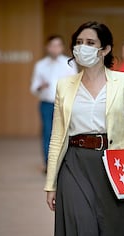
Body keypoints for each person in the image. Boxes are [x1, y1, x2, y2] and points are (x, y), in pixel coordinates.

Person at [44, 21, 124, 236]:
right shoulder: (64, 85)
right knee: (83, 233)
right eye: (79, 43)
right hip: (75, 164)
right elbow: (57, 136)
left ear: (104, 49)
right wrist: (51, 183)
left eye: (90, 43)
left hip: (114, 167)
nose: (83, 48)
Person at [30, 35, 77, 173]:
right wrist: (40, 86)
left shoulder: (69, 63)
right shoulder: (40, 65)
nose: (55, 48)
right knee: (47, 133)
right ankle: (48, 164)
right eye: (52, 45)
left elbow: (75, 83)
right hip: (46, 104)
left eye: (58, 45)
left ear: (62, 47)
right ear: (47, 47)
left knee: (65, 133)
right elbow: (33, 87)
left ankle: (64, 162)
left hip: (64, 104)